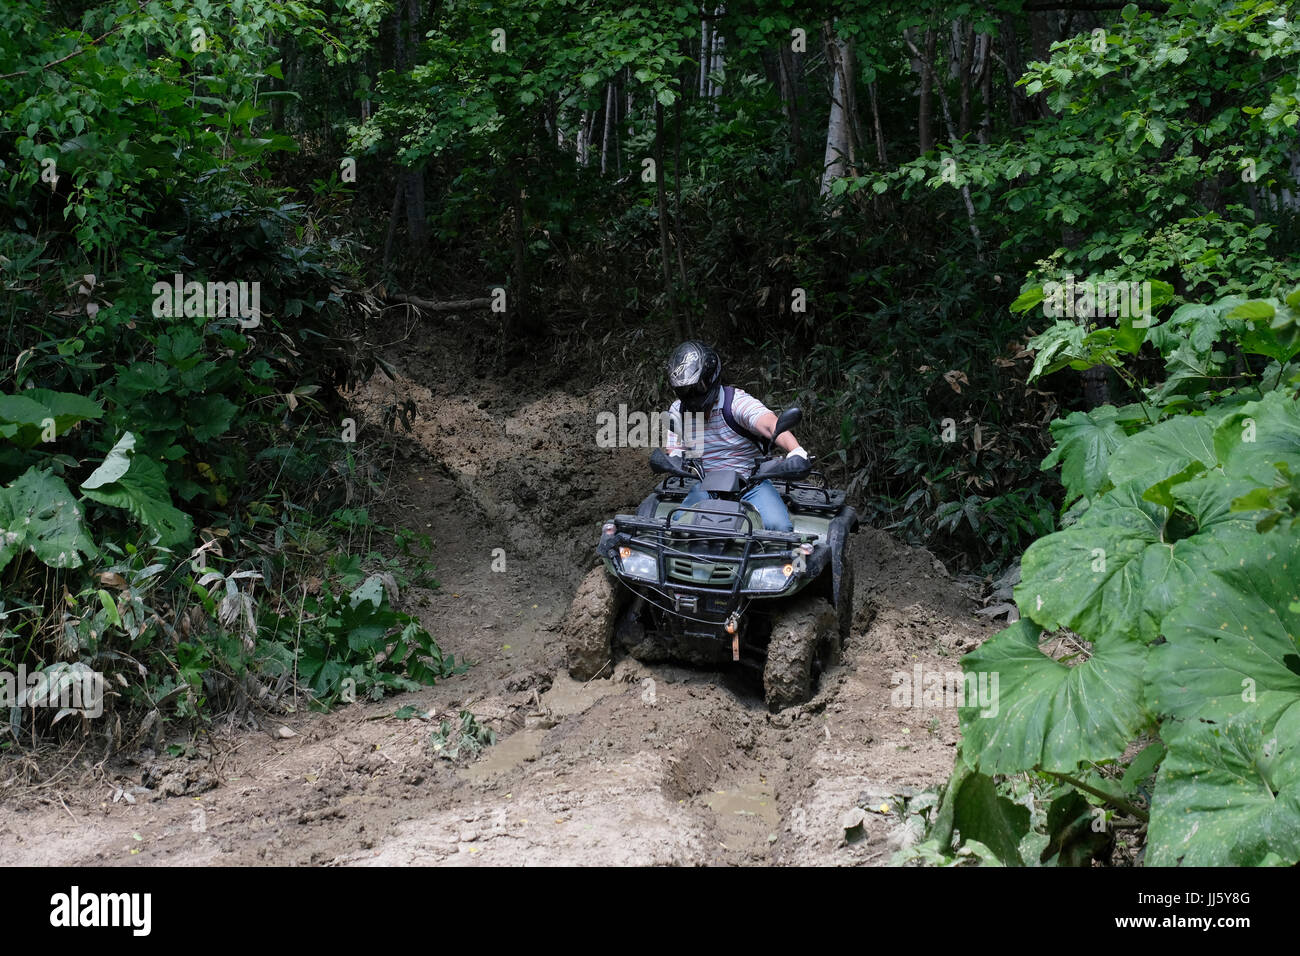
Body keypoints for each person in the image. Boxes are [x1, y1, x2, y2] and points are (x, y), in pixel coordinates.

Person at [662, 340, 806, 532]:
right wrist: (673, 459)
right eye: (684, 391)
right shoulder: (678, 411)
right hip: (707, 486)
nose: (691, 395)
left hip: (751, 485)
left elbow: (771, 425)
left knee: (778, 527)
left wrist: (796, 451)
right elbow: (674, 449)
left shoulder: (736, 404)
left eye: (697, 387)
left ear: (711, 378)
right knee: (678, 527)